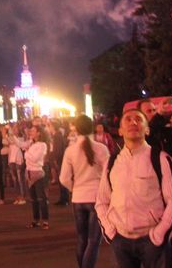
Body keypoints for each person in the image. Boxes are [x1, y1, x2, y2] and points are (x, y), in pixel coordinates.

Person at [96, 108, 172, 268]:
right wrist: (110, 233)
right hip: (121, 240)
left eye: (138, 119)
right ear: (120, 131)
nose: (133, 122)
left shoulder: (160, 158)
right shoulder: (112, 162)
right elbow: (102, 201)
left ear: (147, 129)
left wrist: (159, 235)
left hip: (153, 240)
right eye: (128, 120)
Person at [60, 115, 111, 268]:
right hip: (96, 198)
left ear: (76, 128)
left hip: (78, 198)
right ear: (92, 127)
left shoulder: (70, 150)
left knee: (82, 239)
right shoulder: (101, 148)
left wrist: (74, 188)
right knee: (94, 241)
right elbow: (108, 173)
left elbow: (64, 178)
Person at [24, 125, 50, 229]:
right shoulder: (31, 143)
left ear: (39, 133)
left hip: (38, 173)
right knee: (33, 199)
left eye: (33, 130)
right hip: (29, 172)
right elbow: (20, 144)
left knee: (41, 198)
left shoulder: (42, 145)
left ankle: (45, 220)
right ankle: (35, 220)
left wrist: (26, 152)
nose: (31, 132)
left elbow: (35, 158)